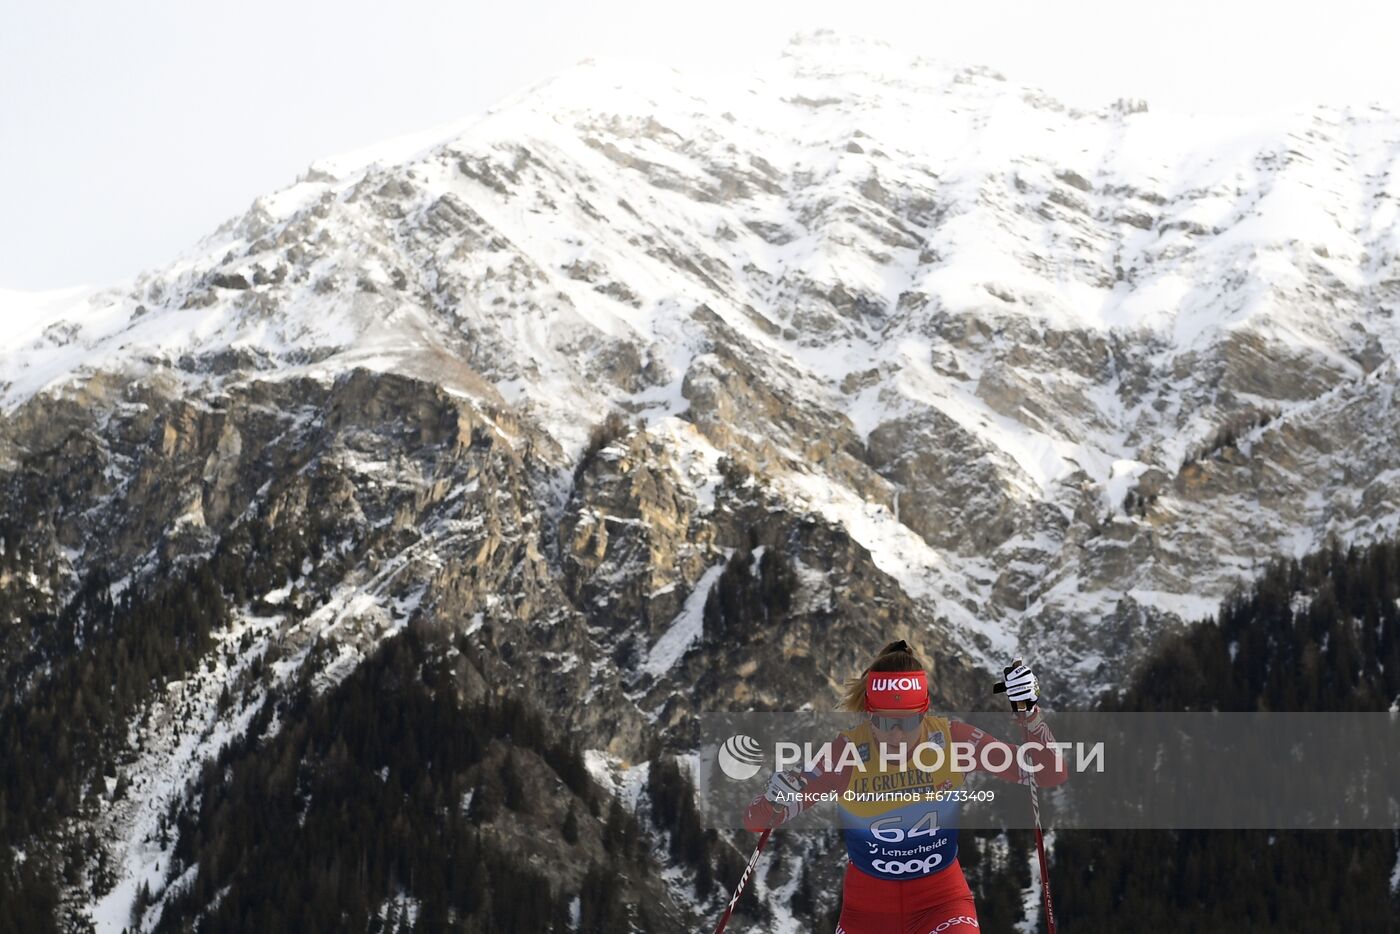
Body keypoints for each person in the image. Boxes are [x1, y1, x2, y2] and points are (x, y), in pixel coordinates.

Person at [742, 639, 1067, 933]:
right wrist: (774, 800)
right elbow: (756, 821)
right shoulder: (846, 754)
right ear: (869, 714)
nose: (895, 736)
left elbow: (1049, 774)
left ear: (924, 712)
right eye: (884, 722)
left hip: (941, 902)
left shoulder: (955, 742)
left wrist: (1031, 714)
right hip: (866, 912)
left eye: (907, 722)